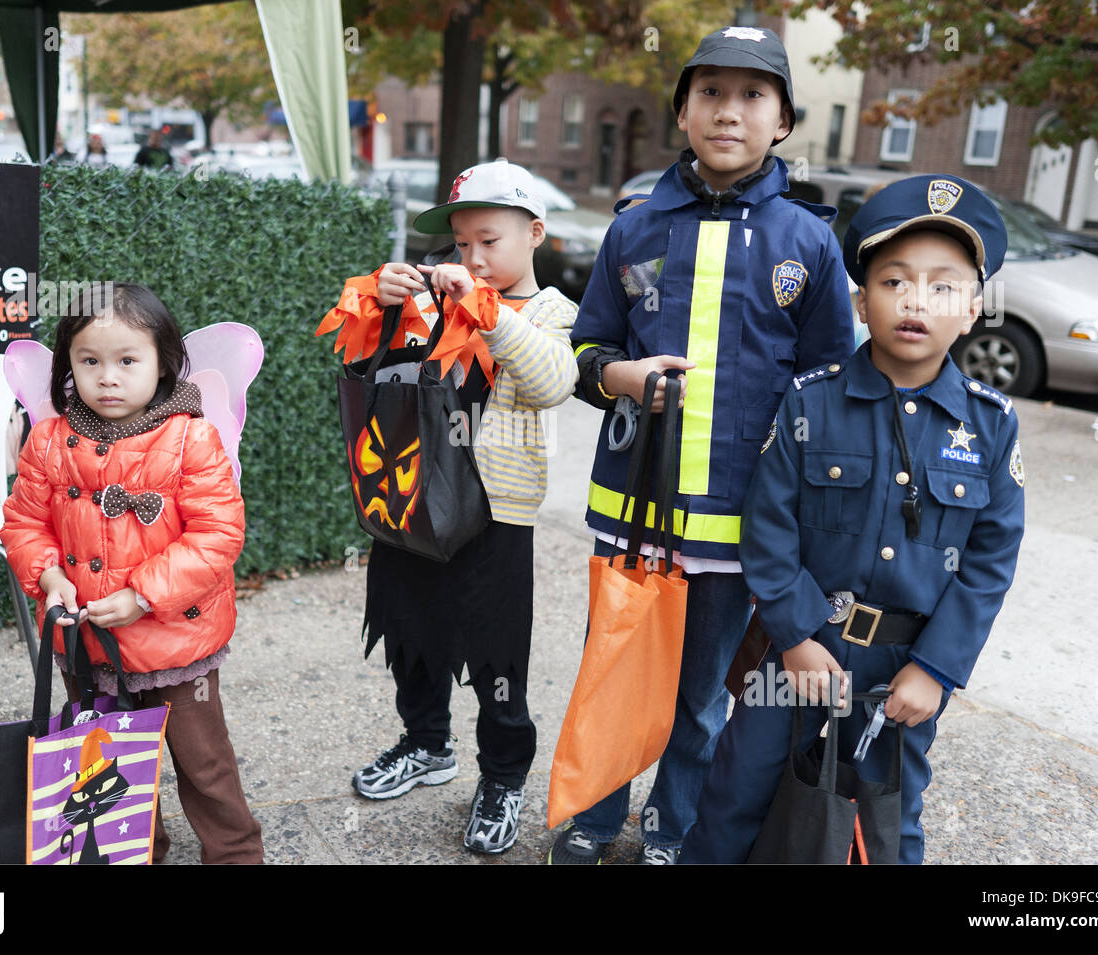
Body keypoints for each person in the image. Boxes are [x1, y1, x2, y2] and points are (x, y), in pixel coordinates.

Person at [548, 25, 855, 864]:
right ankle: (594, 816)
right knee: (615, 670)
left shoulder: (810, 243)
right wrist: (622, 376)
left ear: (784, 120)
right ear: (682, 110)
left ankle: (671, 827)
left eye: (754, 95)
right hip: (633, 513)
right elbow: (584, 350)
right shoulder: (634, 230)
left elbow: (835, 378)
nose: (730, 111)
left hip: (739, 523)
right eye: (711, 93)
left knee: (699, 695)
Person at [682, 175, 1026, 865]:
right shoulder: (812, 402)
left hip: (901, 671)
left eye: (942, 286)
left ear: (974, 308)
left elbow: (990, 562)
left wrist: (937, 669)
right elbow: (768, 526)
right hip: (797, 650)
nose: (916, 300)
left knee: (887, 823)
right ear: (861, 301)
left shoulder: (990, 425)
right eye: (894, 281)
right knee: (734, 800)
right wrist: (797, 635)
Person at [339, 158, 578, 854]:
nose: (471, 257)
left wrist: (489, 311)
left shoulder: (550, 310)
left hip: (497, 513)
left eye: (488, 240)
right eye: (461, 243)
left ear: (534, 232)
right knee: (411, 630)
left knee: (497, 653)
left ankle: (503, 775)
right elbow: (374, 369)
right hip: (409, 500)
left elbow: (552, 381)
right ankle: (426, 741)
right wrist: (379, 304)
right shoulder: (427, 304)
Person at [0, 284, 263, 864]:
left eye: (127, 361)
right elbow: (23, 523)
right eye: (89, 361)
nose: (107, 378)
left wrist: (144, 596)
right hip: (87, 642)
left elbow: (218, 535)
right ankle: (138, 850)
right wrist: (48, 578)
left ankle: (236, 853)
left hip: (177, 645)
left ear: (162, 363)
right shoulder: (50, 441)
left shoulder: (190, 437)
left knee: (205, 764)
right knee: (109, 763)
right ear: (67, 364)